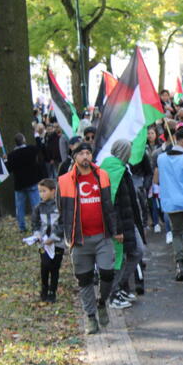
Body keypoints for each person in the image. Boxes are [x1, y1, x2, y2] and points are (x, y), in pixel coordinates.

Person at [57, 142, 120, 334]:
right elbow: (62, 210)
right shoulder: (65, 180)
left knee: (107, 273)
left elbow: (110, 205)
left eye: (88, 153)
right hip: (79, 240)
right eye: (81, 153)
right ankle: (91, 317)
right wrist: (67, 235)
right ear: (74, 157)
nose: (86, 156)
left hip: (102, 236)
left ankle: (102, 302)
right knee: (84, 281)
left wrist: (115, 229)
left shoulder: (102, 176)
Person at [101, 140, 146, 309]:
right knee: (121, 258)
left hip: (128, 221)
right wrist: (117, 229)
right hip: (120, 225)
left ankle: (119, 287)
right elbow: (111, 203)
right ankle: (113, 293)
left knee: (136, 252)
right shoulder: (114, 170)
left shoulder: (122, 169)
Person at [154, 127, 183, 281]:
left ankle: (179, 264)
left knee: (177, 233)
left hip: (170, 203)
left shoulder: (161, 158)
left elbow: (156, 179)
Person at [31, 178, 64, 303]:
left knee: (55, 267)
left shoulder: (60, 206)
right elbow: (35, 223)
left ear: (53, 191)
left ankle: (52, 291)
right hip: (43, 244)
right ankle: (44, 288)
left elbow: (63, 224)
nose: (41, 194)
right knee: (45, 265)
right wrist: (37, 234)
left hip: (58, 243)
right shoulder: (38, 207)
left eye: (44, 191)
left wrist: (53, 238)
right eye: (40, 191)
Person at [5, 133, 42, 232]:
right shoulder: (30, 149)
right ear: (24, 140)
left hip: (19, 184)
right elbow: (39, 147)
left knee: (20, 207)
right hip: (32, 182)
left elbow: (8, 169)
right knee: (36, 205)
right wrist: (37, 136)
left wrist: (5, 161)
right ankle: (37, 225)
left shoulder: (11, 155)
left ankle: (22, 227)